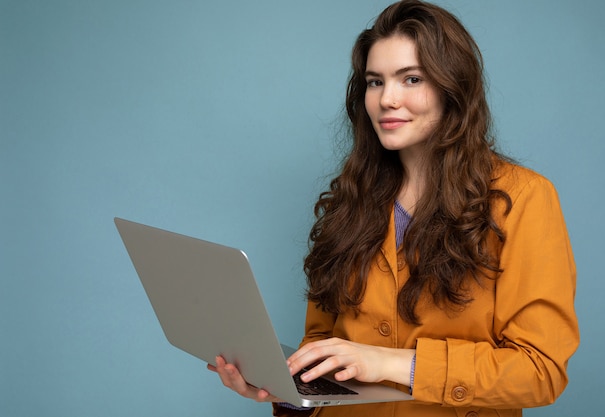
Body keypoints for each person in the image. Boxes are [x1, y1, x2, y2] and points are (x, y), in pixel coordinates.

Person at [208, 1, 579, 416]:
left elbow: (540, 369)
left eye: (412, 78)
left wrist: (390, 362)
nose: (387, 99)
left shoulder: (524, 198)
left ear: (452, 87)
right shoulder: (351, 199)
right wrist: (286, 387)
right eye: (374, 81)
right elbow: (323, 344)